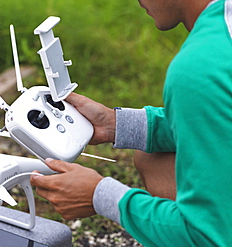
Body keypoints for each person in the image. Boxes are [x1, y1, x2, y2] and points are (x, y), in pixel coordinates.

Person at [30, 0, 232, 245]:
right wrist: (116, 124)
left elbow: (208, 236)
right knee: (156, 162)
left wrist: (100, 195)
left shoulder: (199, 69)